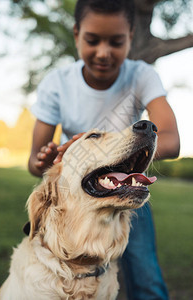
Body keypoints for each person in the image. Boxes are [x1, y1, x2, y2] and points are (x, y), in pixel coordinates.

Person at [28, 0, 180, 299]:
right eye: (92, 40)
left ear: (131, 38)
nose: (103, 52)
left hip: (125, 188)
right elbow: (34, 162)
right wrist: (45, 159)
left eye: (116, 41)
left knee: (145, 277)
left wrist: (128, 148)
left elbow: (171, 139)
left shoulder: (141, 75)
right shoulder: (57, 83)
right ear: (76, 34)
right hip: (76, 195)